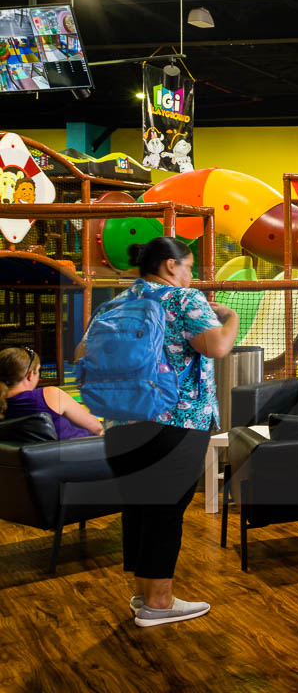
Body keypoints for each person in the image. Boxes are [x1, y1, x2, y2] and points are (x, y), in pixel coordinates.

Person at [82, 237, 239, 627]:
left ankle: (143, 595)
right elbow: (218, 347)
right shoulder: (183, 300)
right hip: (176, 420)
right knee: (166, 510)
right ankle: (160, 602)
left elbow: (82, 355)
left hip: (119, 421)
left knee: (139, 505)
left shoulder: (114, 303)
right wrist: (230, 315)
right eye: (187, 266)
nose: (189, 274)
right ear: (170, 266)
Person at [0, 346, 103, 438]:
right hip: (83, 451)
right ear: (30, 375)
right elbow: (97, 428)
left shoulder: (3, 405)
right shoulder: (48, 395)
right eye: (38, 370)